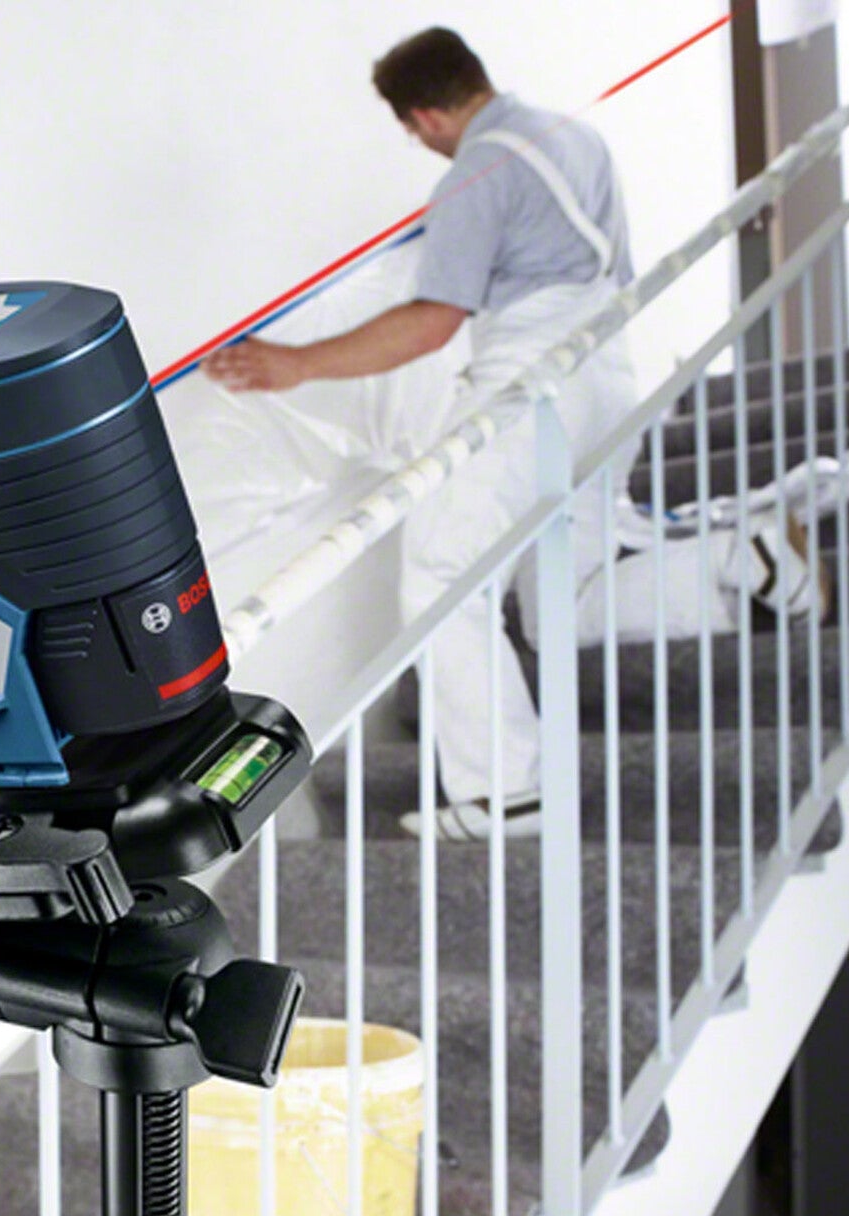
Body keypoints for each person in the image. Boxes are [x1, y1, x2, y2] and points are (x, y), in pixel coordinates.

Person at [203, 26, 824, 840]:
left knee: (440, 572)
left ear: (423, 117)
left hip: (535, 388)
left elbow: (432, 323)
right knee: (569, 598)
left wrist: (293, 364)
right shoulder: (576, 138)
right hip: (608, 381)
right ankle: (743, 558)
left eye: (413, 131)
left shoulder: (477, 172)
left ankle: (505, 787)